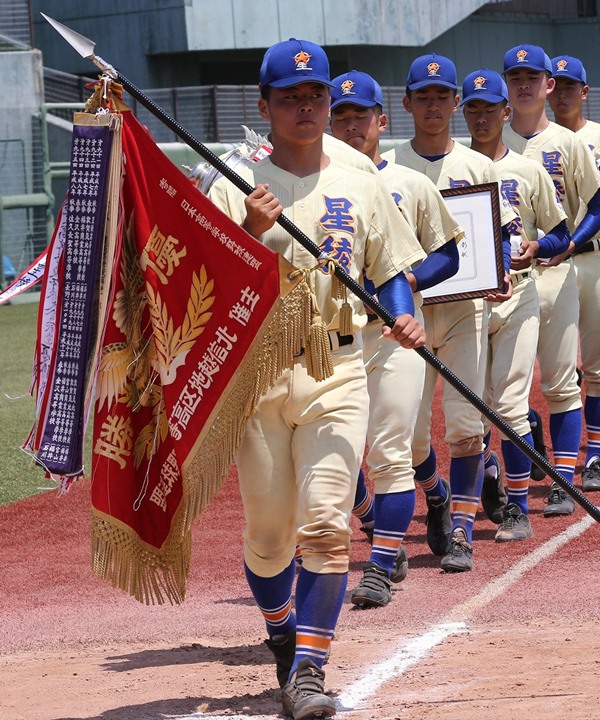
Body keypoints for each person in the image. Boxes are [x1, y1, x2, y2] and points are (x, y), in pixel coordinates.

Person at [209, 38, 426, 719]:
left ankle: (308, 670)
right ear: (264, 105)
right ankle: (281, 633)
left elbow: (389, 269)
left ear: (330, 101)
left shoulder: (362, 177)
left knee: (327, 522)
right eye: (290, 98)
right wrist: (247, 228)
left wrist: (402, 316)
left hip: (339, 368)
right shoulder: (233, 183)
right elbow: (206, 286)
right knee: (270, 537)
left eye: (316, 96)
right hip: (261, 372)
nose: (305, 108)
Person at [328, 69, 462, 604]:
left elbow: (449, 255)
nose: (352, 124)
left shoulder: (411, 183)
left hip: (396, 333)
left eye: (362, 115)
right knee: (338, 453)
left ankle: (381, 564)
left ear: (382, 120)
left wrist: (410, 277)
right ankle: (390, 521)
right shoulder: (316, 187)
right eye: (342, 115)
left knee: (391, 451)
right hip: (334, 337)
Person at [381, 53, 516, 572]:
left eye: (443, 96)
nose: (433, 105)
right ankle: (436, 493)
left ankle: (460, 530)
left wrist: (500, 271)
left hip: (464, 308)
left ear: (455, 103)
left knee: (465, 424)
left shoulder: (479, 167)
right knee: (411, 434)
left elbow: (499, 235)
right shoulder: (390, 168)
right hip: (409, 311)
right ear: (408, 102)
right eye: (424, 96)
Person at [461, 68, 570, 540]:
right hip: (467, 302)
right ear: (463, 112)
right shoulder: (454, 167)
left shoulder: (527, 170)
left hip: (521, 291)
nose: (482, 116)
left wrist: (538, 248)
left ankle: (518, 508)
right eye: (473, 108)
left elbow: (560, 231)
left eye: (490, 108)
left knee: (507, 404)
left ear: (507, 112)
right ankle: (488, 471)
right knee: (472, 408)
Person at [502, 44, 600, 514]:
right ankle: (529, 442)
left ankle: (563, 476)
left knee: (562, 380)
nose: (523, 84)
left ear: (548, 85)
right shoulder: (486, 145)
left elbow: (597, 204)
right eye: (515, 76)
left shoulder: (569, 143)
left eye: (532, 77)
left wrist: (569, 244)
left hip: (557, 272)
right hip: (503, 282)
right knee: (501, 391)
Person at [548, 55, 600, 492]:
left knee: (598, 364)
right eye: (556, 85)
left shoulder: (598, 138)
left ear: (584, 92)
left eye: (570, 86)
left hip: (594, 257)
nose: (562, 94)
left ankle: (596, 453)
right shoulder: (529, 141)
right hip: (549, 264)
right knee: (554, 367)